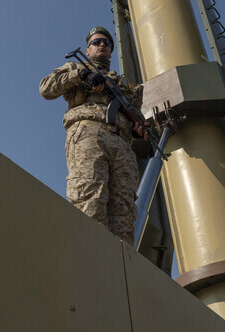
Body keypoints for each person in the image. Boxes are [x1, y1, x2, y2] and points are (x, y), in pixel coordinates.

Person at [39, 26, 146, 245]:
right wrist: (81, 75)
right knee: (89, 201)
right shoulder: (75, 66)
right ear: (87, 50)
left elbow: (135, 116)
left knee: (124, 214)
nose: (102, 45)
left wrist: (139, 130)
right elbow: (46, 88)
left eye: (106, 43)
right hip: (90, 134)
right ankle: (89, 260)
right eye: (96, 42)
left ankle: (120, 270)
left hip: (123, 146)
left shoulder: (126, 86)